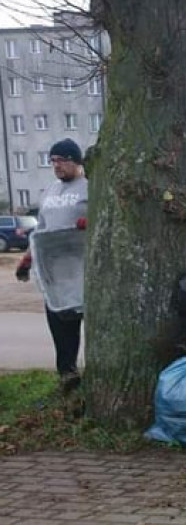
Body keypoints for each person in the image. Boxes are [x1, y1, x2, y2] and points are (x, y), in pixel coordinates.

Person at [14, 138, 89, 392]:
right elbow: (41, 232)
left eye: (62, 160)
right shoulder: (49, 192)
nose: (57, 165)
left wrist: (89, 223)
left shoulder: (90, 187)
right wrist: (27, 259)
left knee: (85, 321)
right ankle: (67, 375)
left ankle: (99, 374)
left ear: (76, 161)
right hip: (55, 273)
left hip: (84, 269)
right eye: (53, 161)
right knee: (59, 322)